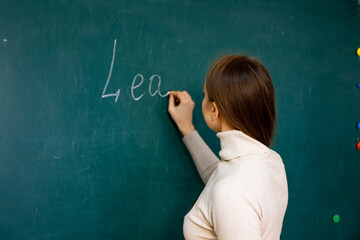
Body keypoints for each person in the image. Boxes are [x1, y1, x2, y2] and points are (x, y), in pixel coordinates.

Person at [167, 55, 288, 240]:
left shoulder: (232, 190)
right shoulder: (270, 161)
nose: (203, 99)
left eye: (204, 95)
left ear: (214, 111)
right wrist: (188, 129)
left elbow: (229, 190)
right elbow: (219, 176)